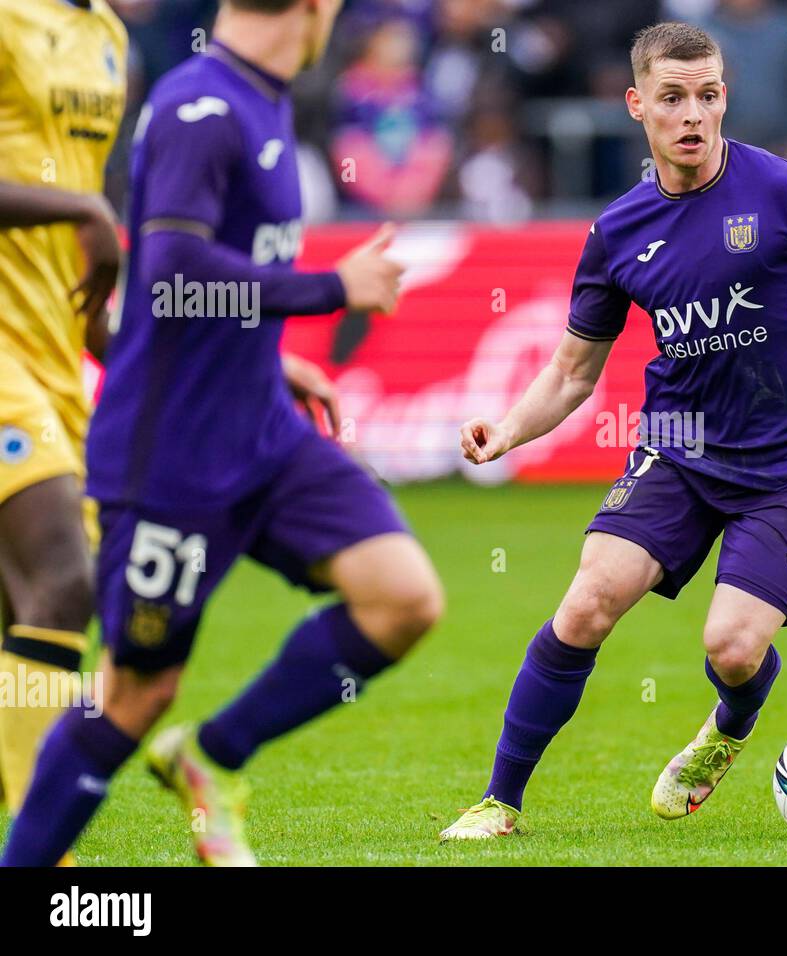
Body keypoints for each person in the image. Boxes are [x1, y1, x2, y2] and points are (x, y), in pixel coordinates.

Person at [439, 20, 787, 840]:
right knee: (587, 602)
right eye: (671, 99)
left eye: (706, 95)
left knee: (732, 648)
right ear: (637, 105)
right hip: (681, 447)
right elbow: (571, 371)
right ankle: (499, 803)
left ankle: (730, 724)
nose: (692, 114)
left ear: (723, 96)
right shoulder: (617, 233)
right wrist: (509, 430)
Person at [1, 0, 443, 868]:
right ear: (314, 9)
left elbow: (193, 288)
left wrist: (269, 361)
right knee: (134, 685)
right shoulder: (200, 108)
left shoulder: (255, 94)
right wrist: (330, 289)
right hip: (174, 454)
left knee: (402, 598)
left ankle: (211, 756)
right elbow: (170, 272)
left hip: (264, 433)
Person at [0, 0, 127, 847]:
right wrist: (87, 217)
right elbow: (88, 209)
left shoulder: (112, 37)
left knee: (25, 612)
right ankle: (39, 849)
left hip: (51, 353)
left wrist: (107, 336)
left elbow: (94, 198)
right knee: (63, 578)